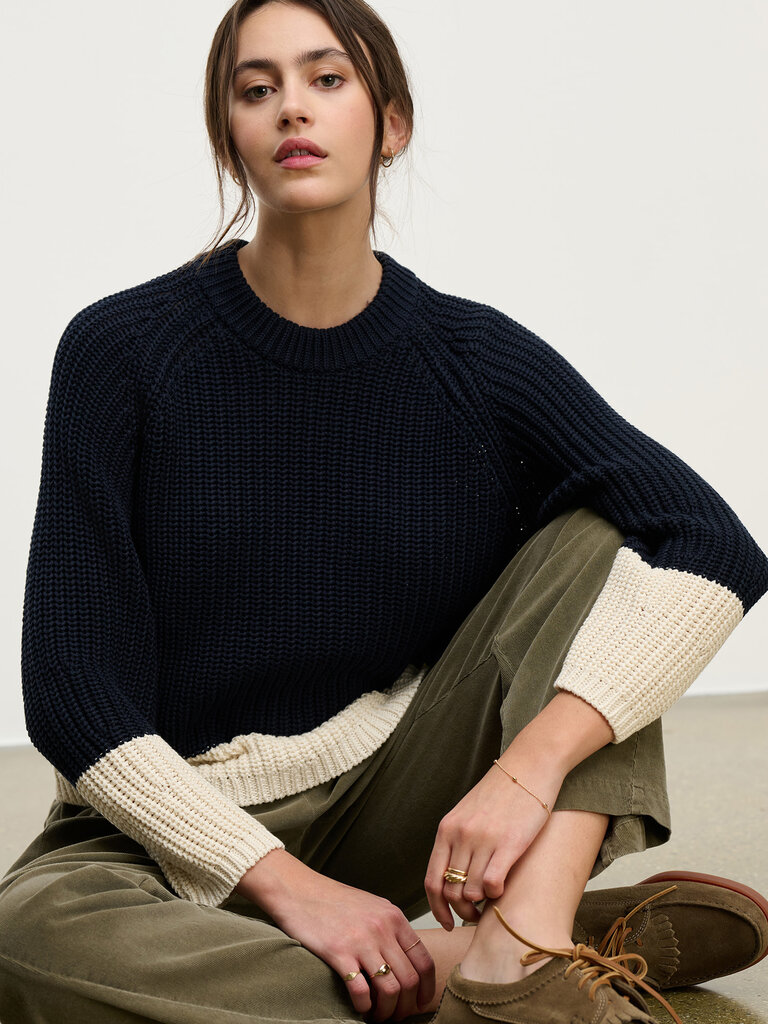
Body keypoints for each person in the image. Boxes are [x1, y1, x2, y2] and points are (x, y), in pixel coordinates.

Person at [0, 1, 767, 1022]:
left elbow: (709, 540)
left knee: (610, 542)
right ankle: (494, 967)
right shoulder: (122, 352)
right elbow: (70, 687)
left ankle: (520, 941)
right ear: (228, 135)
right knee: (24, 936)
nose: (292, 109)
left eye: (327, 80)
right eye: (257, 88)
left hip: (398, 793)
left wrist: (527, 770)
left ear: (391, 124)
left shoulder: (474, 363)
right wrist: (289, 886)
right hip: (165, 831)